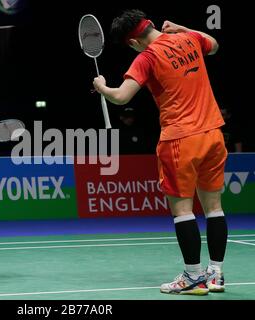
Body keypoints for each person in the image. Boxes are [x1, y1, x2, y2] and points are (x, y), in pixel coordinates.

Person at [93, 10, 228, 295]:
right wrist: (180, 26)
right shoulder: (189, 38)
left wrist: (101, 86)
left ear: (133, 42)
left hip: (180, 139)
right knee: (213, 207)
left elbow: (121, 96)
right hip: (213, 133)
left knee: (182, 210)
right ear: (151, 24)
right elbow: (213, 44)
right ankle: (215, 273)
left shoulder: (147, 57)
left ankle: (193, 276)